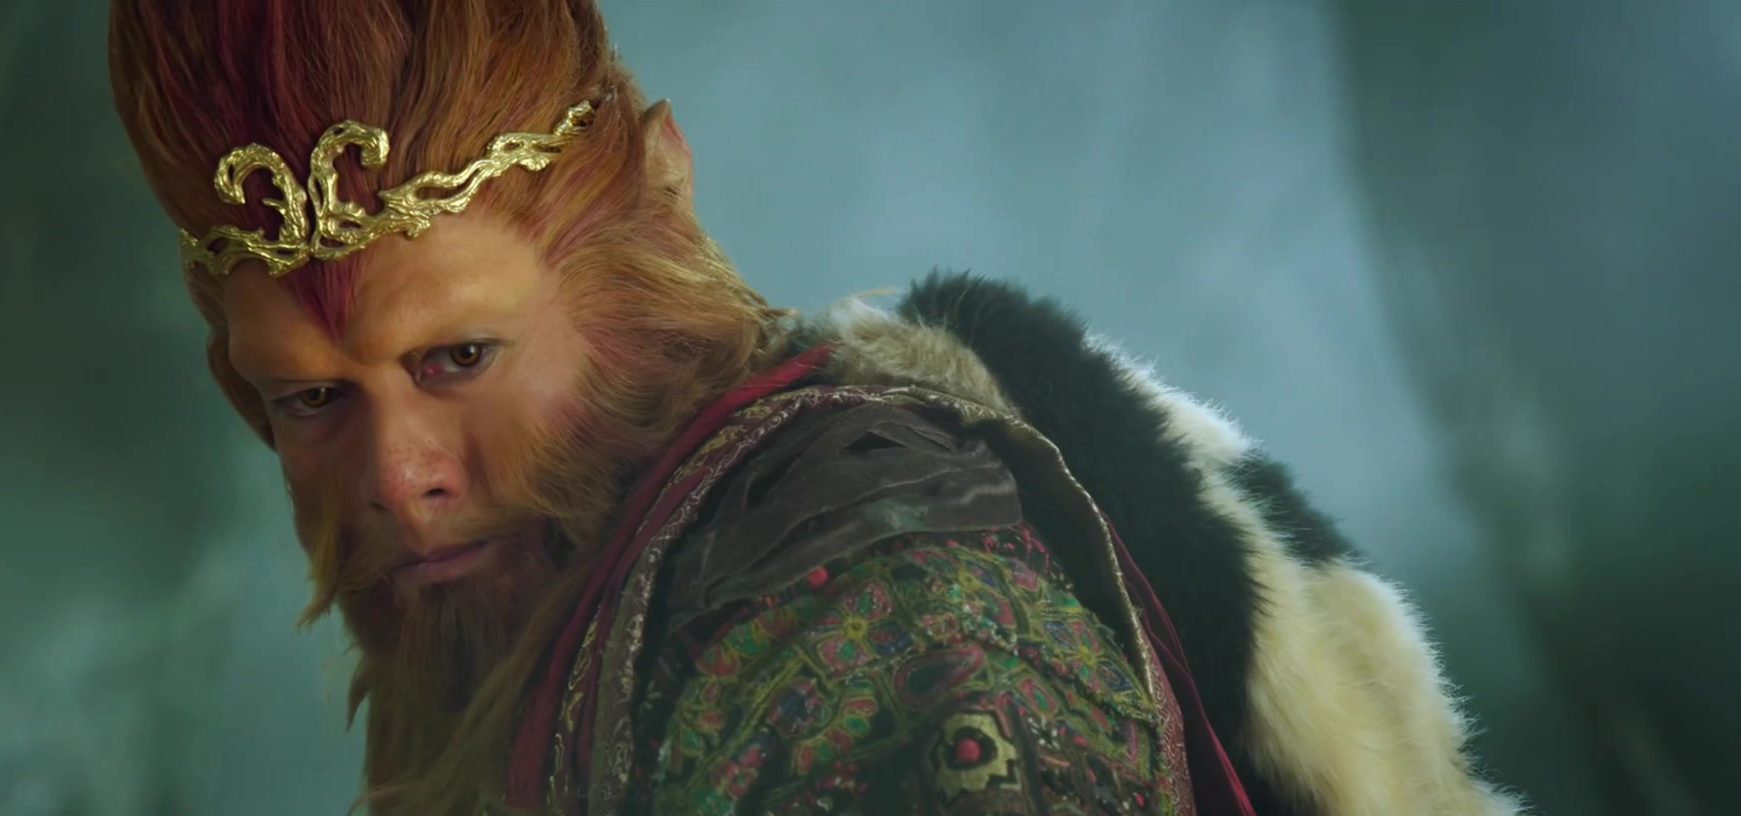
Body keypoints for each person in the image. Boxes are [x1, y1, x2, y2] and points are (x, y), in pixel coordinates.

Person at [107, 2, 1528, 814]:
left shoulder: (869, 595)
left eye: (459, 358)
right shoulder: (589, 611)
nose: (393, 476)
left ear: (655, 204)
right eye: (310, 398)